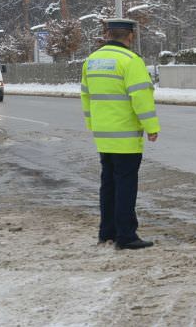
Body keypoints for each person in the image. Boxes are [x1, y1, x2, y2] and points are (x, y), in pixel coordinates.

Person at [81, 18, 160, 250]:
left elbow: (86, 96)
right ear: (130, 36)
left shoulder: (92, 61)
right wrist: (151, 126)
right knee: (125, 184)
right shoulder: (130, 61)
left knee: (108, 185)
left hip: (103, 134)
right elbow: (141, 97)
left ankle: (107, 233)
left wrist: (92, 124)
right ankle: (126, 236)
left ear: (107, 34)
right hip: (125, 135)